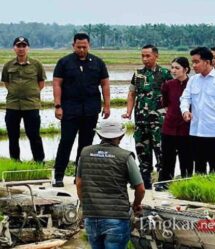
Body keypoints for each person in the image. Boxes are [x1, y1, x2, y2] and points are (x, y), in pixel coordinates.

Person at [53, 33, 111, 187]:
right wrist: (57, 106)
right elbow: (57, 84)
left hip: (91, 110)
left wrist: (107, 105)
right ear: (73, 45)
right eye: (78, 46)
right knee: (66, 141)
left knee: (86, 145)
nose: (81, 49)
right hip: (69, 109)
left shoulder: (98, 63)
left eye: (84, 46)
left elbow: (105, 84)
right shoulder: (64, 62)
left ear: (89, 46)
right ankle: (58, 175)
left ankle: (80, 176)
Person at [76, 120, 145, 249]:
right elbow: (140, 188)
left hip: (91, 217)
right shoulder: (125, 156)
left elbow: (79, 184)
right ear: (121, 136)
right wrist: (136, 205)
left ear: (99, 135)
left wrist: (86, 205)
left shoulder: (85, 153)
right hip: (117, 218)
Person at [123, 44, 172, 189]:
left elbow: (172, 95)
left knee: (161, 150)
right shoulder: (138, 74)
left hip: (159, 120)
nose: (145, 59)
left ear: (156, 56)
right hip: (141, 119)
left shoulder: (165, 73)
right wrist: (128, 111)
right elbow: (132, 93)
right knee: (142, 150)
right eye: (142, 56)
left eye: (148, 56)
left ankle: (163, 182)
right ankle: (144, 181)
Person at [180, 47, 215, 174]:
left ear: (207, 62)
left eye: (196, 62)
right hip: (196, 131)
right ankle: (200, 193)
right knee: (199, 167)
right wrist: (185, 111)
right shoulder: (193, 80)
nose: (193, 66)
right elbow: (185, 97)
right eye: (192, 62)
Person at [1, 36, 45, 163]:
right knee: (13, 136)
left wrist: (31, 93)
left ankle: (39, 161)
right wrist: (16, 92)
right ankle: (15, 161)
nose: (21, 49)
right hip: (12, 105)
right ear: (14, 48)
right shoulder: (8, 65)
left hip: (31, 105)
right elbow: (7, 83)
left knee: (34, 135)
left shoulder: (36, 65)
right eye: (18, 46)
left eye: (23, 46)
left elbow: (41, 83)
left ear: (28, 48)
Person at [157, 57, 193, 187]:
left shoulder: (192, 84)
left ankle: (186, 183)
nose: (173, 70)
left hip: (187, 126)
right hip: (169, 126)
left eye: (177, 68)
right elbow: (165, 104)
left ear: (186, 70)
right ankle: (164, 182)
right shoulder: (168, 85)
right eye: (172, 67)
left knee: (186, 158)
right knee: (167, 157)